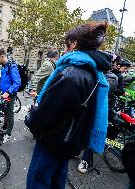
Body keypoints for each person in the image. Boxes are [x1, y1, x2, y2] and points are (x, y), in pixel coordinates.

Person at [26, 22, 110, 189]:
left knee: (38, 181)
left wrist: (31, 118)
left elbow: (46, 114)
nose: (63, 50)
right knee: (57, 182)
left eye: (66, 45)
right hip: (70, 142)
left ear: (74, 44)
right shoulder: (93, 72)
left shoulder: (71, 74)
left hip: (53, 142)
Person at [0, 49, 21, 143]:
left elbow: (17, 82)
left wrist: (8, 92)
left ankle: (8, 134)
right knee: (5, 112)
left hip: (9, 95)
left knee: (9, 114)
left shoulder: (12, 66)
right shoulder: (4, 67)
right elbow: (4, 81)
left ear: (2, 56)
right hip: (4, 95)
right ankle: (5, 127)